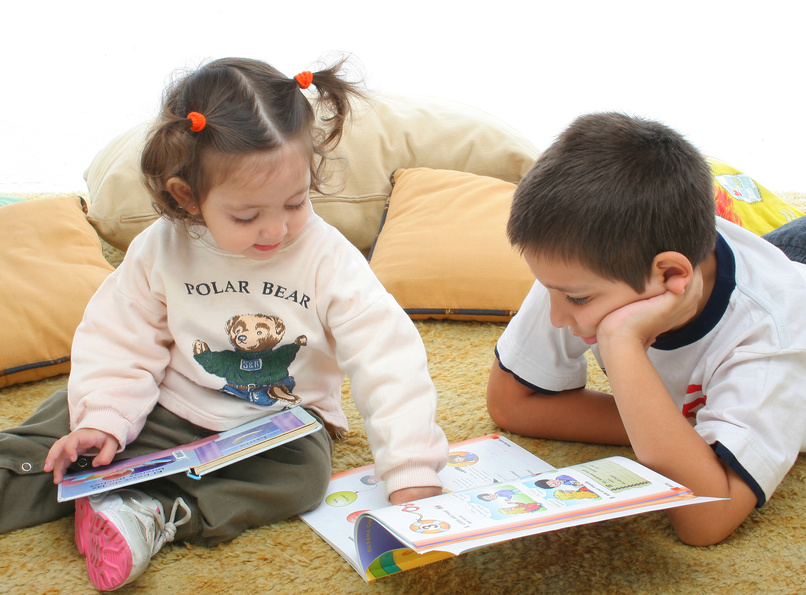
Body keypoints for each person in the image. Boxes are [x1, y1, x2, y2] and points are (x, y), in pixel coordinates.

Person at [0, 57, 448, 590]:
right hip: (160, 397)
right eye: (245, 216)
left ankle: (151, 513)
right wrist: (102, 418)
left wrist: (411, 471)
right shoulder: (160, 249)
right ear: (187, 197)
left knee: (304, 478)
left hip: (272, 427)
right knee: (61, 435)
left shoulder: (330, 260)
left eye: (296, 201)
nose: (276, 229)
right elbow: (118, 338)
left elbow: (388, 360)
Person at [486, 112, 806, 547]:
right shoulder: (587, 267)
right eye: (550, 291)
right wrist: (677, 432)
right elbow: (511, 404)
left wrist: (622, 344)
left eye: (577, 299)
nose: (557, 316)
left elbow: (707, 520)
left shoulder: (774, 332)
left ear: (670, 273)